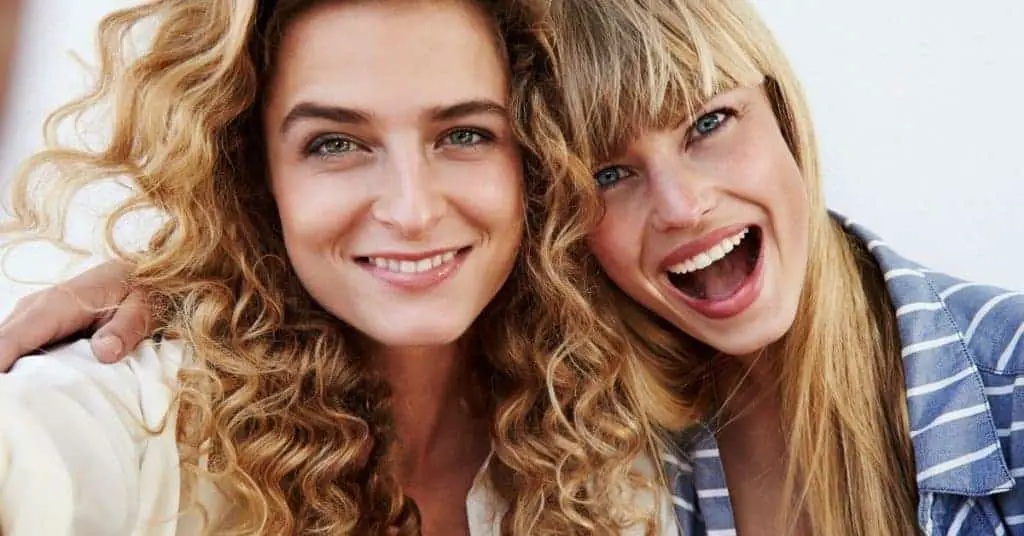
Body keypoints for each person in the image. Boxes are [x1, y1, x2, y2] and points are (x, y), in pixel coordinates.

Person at [8, 0, 1024, 534]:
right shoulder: (590, 427)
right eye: (611, 170)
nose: (682, 207)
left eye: (711, 123)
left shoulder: (1003, 377)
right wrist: (203, 270)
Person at [0, 0, 680, 534]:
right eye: (335, 144)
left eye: (464, 135)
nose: (412, 211)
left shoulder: (616, 424)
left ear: (534, 156)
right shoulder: (132, 417)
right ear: (257, 175)